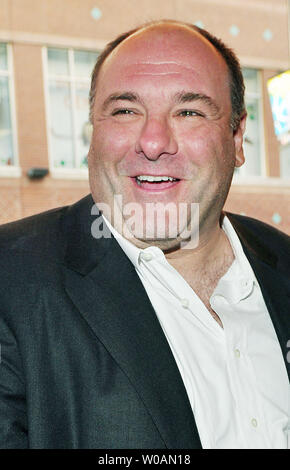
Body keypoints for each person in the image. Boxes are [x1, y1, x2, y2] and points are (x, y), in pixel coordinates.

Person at [0, 20, 289, 450]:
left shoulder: (282, 263)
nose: (153, 142)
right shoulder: (10, 282)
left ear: (238, 137)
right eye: (125, 111)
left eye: (189, 111)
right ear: (93, 133)